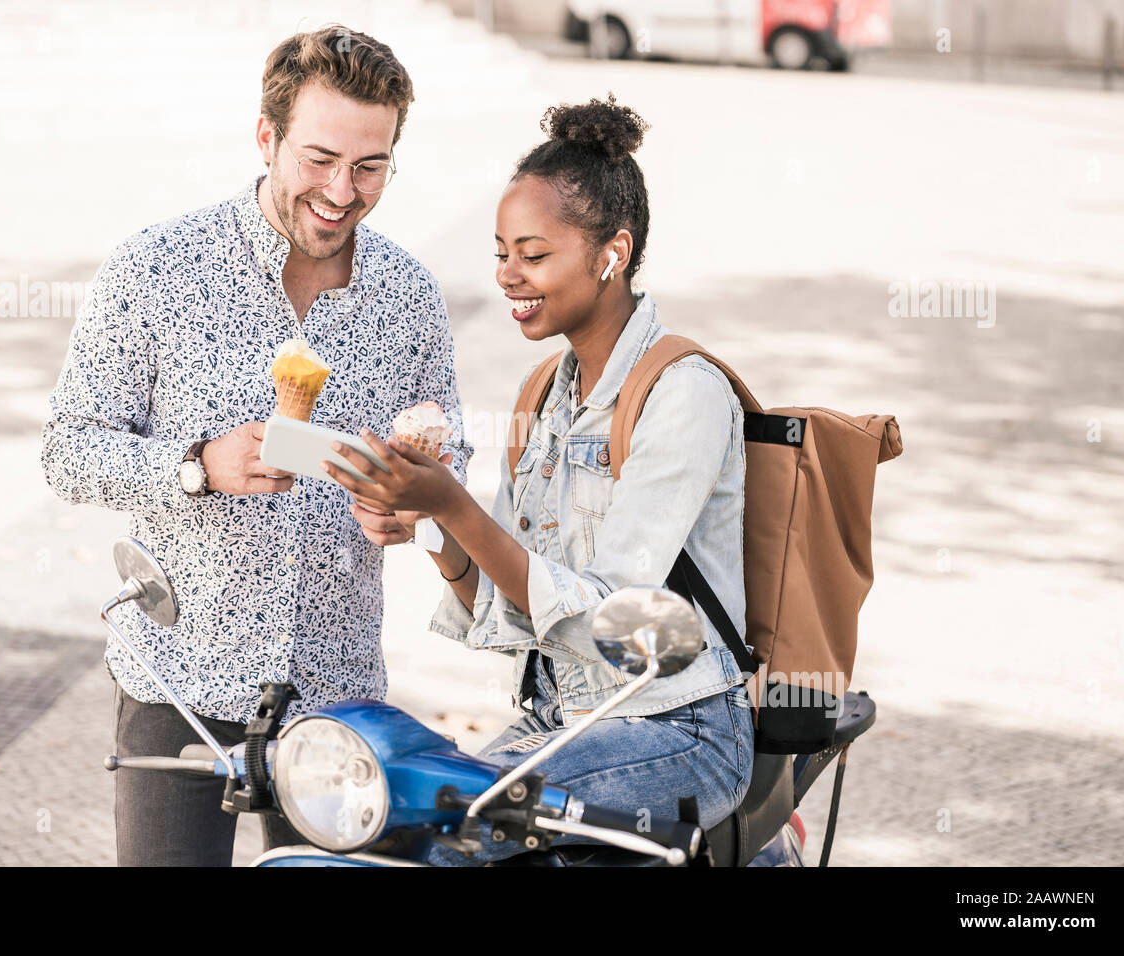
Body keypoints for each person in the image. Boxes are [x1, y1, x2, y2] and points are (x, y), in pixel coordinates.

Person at [41, 25, 471, 866]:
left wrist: (410, 509)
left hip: (338, 690)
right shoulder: (157, 268)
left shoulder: (411, 298)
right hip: (179, 677)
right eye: (319, 159)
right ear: (267, 137)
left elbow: (447, 460)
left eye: (370, 167)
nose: (343, 192)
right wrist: (197, 466)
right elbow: (67, 448)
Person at [330, 95, 753, 865]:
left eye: (532, 253)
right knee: (386, 815)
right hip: (560, 723)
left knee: (446, 836)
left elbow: (608, 623)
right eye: (500, 253)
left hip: (674, 728)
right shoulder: (539, 397)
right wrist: (429, 521)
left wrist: (451, 500)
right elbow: (499, 610)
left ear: (611, 253)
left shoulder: (682, 393)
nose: (508, 276)